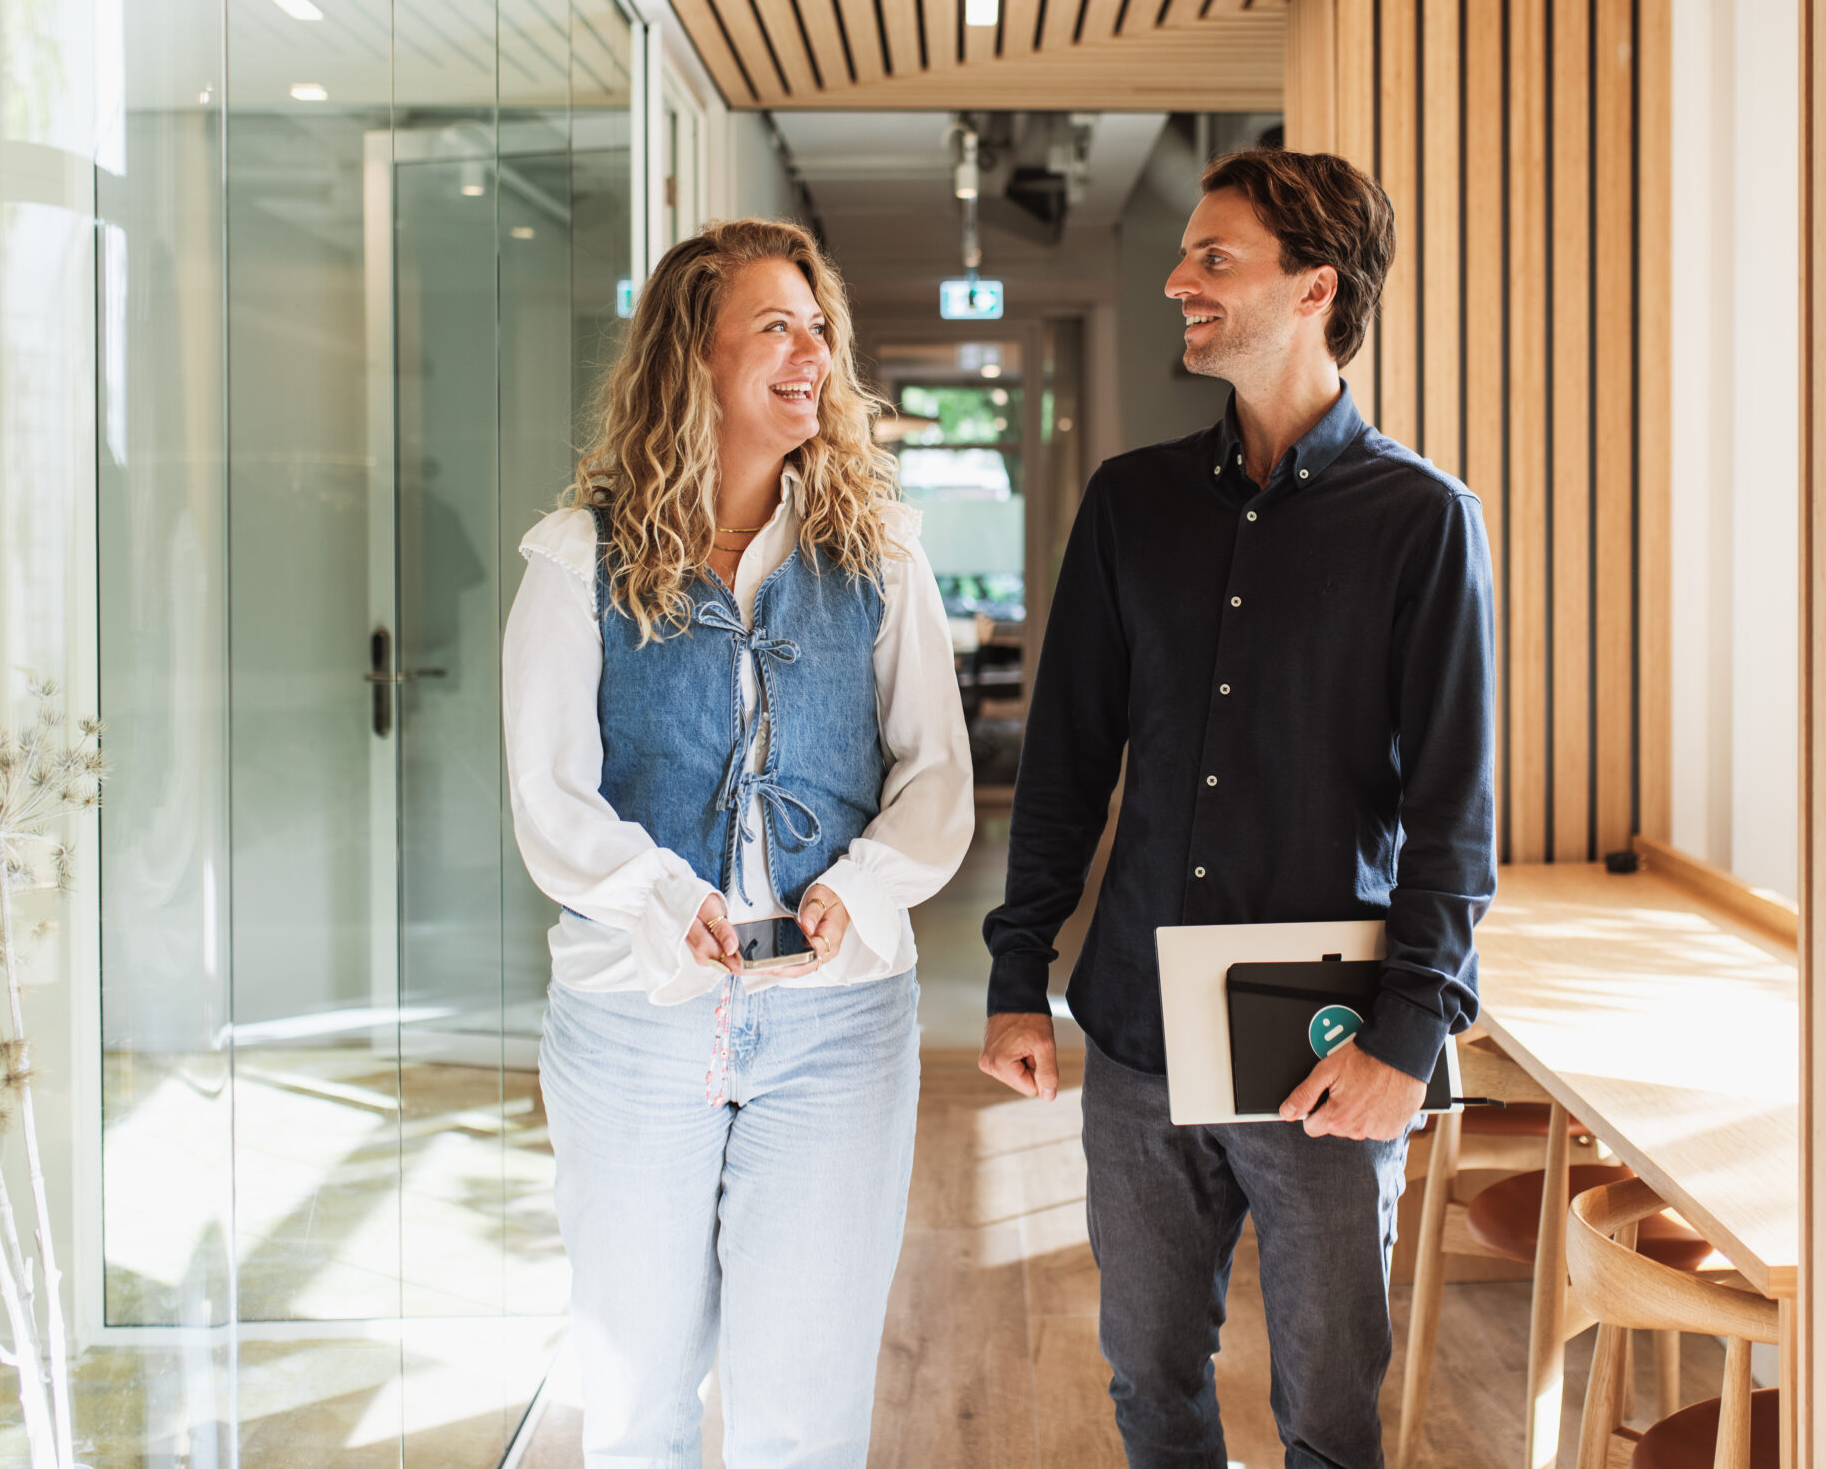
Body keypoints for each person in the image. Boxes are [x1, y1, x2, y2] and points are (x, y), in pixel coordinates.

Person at [978, 149, 1497, 1469]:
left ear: (1315, 287)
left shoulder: (1424, 521)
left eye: (1216, 257)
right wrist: (1015, 971)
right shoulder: (1129, 504)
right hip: (1141, 1031)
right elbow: (1068, 762)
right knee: (1150, 1385)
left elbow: (1454, 811)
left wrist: (1408, 1031)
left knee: (1329, 1412)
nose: (1177, 279)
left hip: (1324, 1049)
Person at [503, 218, 974, 1469]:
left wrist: (865, 886)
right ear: (690, 359)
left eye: (819, 329)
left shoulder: (884, 552)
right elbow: (551, 801)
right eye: (776, 326)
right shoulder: (573, 559)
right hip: (631, 1022)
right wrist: (659, 895)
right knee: (637, 1396)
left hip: (839, 1022)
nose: (811, 352)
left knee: (803, 1413)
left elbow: (936, 780)